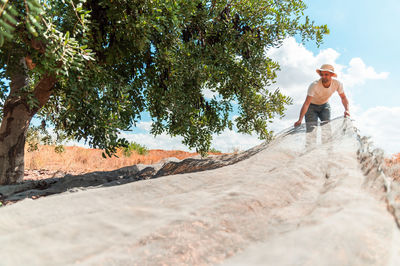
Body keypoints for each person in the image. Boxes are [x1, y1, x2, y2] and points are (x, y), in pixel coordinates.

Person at [294, 64, 350, 144]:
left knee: (327, 130)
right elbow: (306, 103)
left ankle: (328, 152)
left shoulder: (337, 84)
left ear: (331, 75)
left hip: (324, 106)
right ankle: (310, 152)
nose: (323, 76)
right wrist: (300, 119)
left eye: (326, 74)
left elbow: (343, 97)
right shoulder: (314, 85)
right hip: (311, 107)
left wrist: (347, 110)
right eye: (322, 74)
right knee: (311, 131)